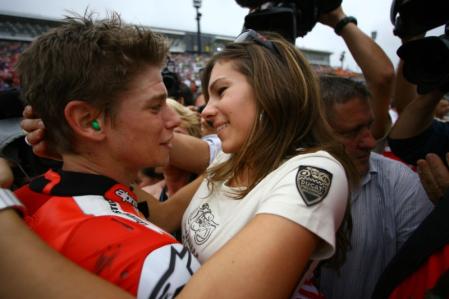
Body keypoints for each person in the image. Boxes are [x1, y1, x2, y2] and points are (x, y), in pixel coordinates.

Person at [13, 27, 357, 298]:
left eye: (221, 91)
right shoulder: (230, 157)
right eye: (207, 95)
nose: (204, 110)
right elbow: (160, 216)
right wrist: (74, 140)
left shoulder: (313, 171)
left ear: (272, 89)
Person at [13, 12, 201, 298]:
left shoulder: (27, 199)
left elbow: (159, 214)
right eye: (154, 107)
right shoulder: (159, 262)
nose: (173, 120)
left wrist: (231, 162)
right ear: (88, 121)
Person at [317, 75, 433, 299]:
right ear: (311, 132)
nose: (370, 142)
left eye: (368, 126)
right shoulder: (271, 180)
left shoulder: (400, 182)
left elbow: (419, 278)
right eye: (351, 132)